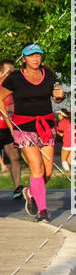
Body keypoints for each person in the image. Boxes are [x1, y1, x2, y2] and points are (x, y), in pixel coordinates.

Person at [0, 44, 64, 222]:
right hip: (24, 127)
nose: (35, 59)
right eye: (31, 56)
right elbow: (0, 97)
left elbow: (56, 97)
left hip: (46, 126)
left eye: (38, 55)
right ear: (24, 59)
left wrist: (60, 96)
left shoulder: (48, 75)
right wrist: (9, 122)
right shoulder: (14, 78)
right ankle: (43, 211)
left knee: (48, 171)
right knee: (37, 167)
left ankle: (30, 192)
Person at [0, 59, 23, 199]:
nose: (12, 75)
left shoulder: (14, 87)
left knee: (15, 157)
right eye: (9, 72)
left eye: (13, 72)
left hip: (9, 128)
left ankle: (17, 189)